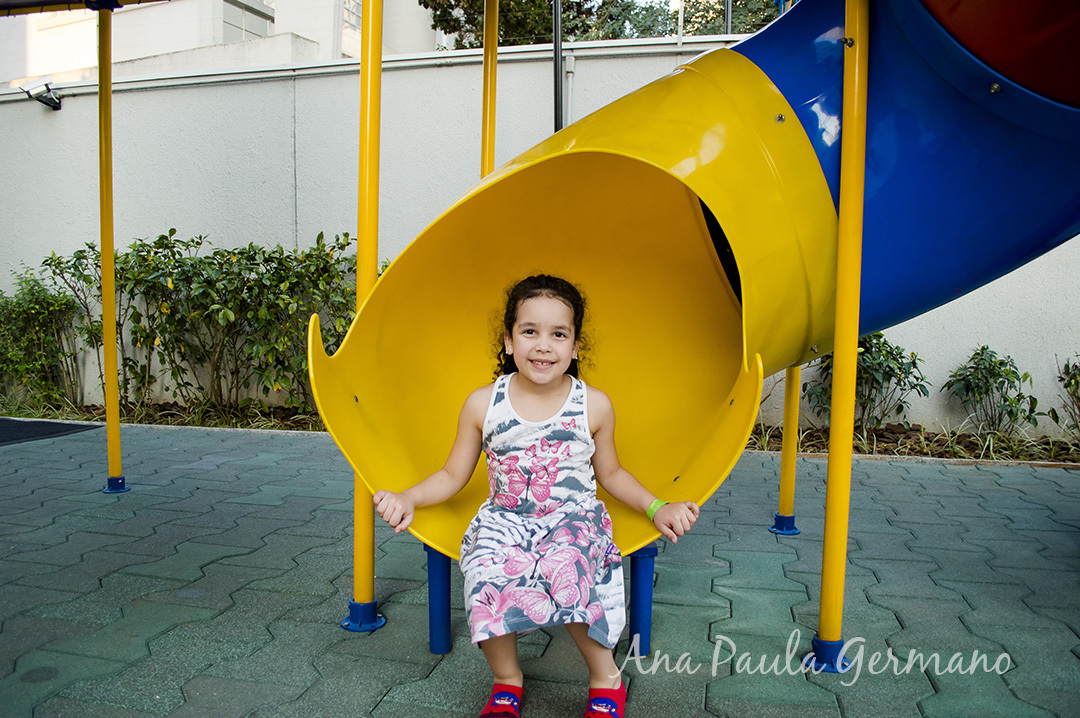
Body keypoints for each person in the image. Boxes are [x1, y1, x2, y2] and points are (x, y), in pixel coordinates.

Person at [374, 275, 700, 718]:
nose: (543, 345)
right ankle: (507, 678)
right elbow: (453, 474)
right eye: (530, 331)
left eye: (558, 334)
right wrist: (409, 498)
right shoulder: (483, 404)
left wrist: (658, 506)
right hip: (506, 518)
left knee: (569, 571)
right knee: (485, 574)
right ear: (508, 341)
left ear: (576, 346)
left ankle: (605, 677)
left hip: (573, 519)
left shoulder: (594, 405)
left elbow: (612, 472)